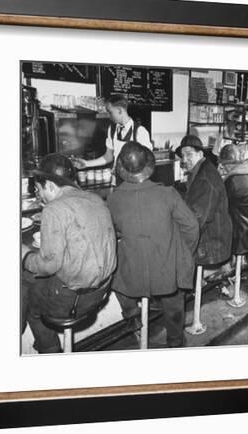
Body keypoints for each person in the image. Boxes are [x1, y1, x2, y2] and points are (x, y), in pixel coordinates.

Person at [21, 153, 117, 353]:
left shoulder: (54, 209)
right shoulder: (95, 198)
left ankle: (50, 351)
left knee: (26, 292)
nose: (40, 196)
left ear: (50, 185)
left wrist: (25, 257)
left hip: (75, 301)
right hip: (102, 291)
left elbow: (49, 266)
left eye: (39, 190)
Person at [107, 142, 199, 348]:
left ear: (121, 167)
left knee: (114, 274)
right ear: (149, 165)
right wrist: (182, 254)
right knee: (174, 298)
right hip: (166, 273)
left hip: (133, 275)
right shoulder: (168, 194)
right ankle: (175, 341)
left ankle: (132, 316)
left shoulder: (113, 199)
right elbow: (192, 227)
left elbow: (111, 235)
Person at [176, 135, 232, 267]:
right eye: (182, 156)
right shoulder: (202, 169)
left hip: (212, 244)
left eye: (189, 155)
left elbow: (196, 221)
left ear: (200, 154)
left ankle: (191, 285)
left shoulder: (205, 179)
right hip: (213, 235)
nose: (184, 159)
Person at [74, 94, 152, 171]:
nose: (108, 115)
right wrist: (87, 163)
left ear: (119, 110)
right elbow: (108, 156)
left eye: (110, 112)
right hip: (116, 178)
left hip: (134, 179)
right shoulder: (112, 129)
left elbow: (147, 160)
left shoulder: (140, 132)